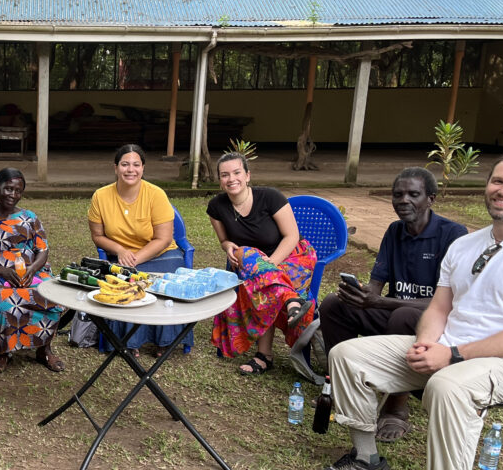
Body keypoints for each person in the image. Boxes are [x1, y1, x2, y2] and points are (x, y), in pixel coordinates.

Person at [313, 152, 503, 470]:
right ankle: (368, 461)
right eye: (497, 182)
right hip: (447, 348)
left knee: (448, 386)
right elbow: (439, 307)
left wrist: (453, 355)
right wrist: (427, 341)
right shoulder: (467, 244)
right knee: (347, 356)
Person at [319, 167, 468, 441]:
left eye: (414, 194)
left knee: (402, 315)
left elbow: (448, 303)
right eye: (398, 194)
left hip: (436, 323)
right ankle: (340, 383)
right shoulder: (395, 231)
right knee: (333, 304)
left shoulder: (453, 234)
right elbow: (376, 285)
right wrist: (361, 294)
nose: (404, 200)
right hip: (394, 311)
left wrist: (381, 301)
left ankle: (396, 406)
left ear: (430, 199)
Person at [207, 152, 317, 375]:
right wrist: (228, 246)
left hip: (290, 257)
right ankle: (293, 304)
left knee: (265, 284)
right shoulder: (216, 206)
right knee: (245, 253)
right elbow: (224, 241)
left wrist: (271, 265)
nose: (231, 179)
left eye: (237, 172)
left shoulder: (270, 197)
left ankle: (264, 355)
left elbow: (292, 236)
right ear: (219, 179)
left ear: (247, 175)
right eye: (224, 175)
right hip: (251, 262)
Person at [88, 143, 191, 354]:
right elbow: (97, 236)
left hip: (160, 253)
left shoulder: (156, 194)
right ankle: (127, 341)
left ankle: (165, 341)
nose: (130, 170)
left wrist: (136, 258)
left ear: (143, 168)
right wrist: (120, 250)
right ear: (115, 168)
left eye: (136, 164)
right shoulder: (100, 196)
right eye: (125, 164)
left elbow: (163, 239)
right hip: (122, 255)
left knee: (161, 279)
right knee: (123, 280)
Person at [0, 167, 65, 374]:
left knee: (53, 297)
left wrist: (31, 269)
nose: (13, 195)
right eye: (8, 189)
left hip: (33, 271)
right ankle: (3, 351)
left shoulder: (30, 218)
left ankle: (44, 348)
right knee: (4, 301)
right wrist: (3, 272)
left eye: (18, 191)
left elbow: (43, 250)